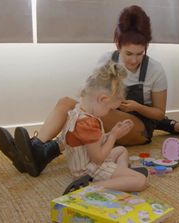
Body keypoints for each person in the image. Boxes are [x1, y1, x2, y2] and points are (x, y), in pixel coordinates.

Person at [0, 5, 178, 178]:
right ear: (117, 45)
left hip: (136, 128)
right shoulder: (106, 60)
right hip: (105, 118)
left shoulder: (155, 69)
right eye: (128, 54)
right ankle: (34, 149)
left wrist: (137, 107)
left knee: (85, 116)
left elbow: (159, 114)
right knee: (66, 103)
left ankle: (42, 153)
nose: (134, 60)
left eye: (140, 54)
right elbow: (88, 96)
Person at [61, 61, 147, 192]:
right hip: (88, 171)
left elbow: (92, 143)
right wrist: (113, 136)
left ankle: (120, 177)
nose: (109, 113)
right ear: (103, 99)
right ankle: (89, 188)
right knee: (141, 180)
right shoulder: (88, 124)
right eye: (110, 109)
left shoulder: (78, 112)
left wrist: (112, 133)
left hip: (87, 162)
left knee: (122, 150)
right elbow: (98, 158)